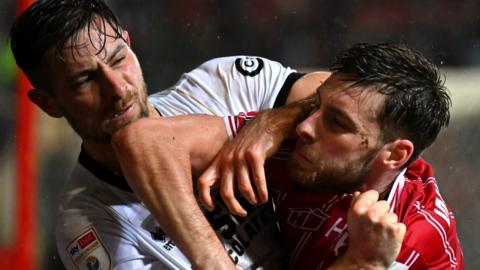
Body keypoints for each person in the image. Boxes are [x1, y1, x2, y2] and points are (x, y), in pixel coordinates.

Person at [10, 1, 405, 269]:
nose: (116, 87)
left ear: (130, 45)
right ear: (48, 103)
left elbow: (350, 98)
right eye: (84, 80)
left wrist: (273, 122)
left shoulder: (221, 86)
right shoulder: (87, 224)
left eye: (118, 59)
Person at [193, 44, 465, 269]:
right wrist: (277, 120)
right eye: (316, 104)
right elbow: (154, 143)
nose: (303, 127)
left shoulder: (414, 246)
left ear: (395, 154)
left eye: (337, 122)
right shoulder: (302, 143)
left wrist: (362, 261)